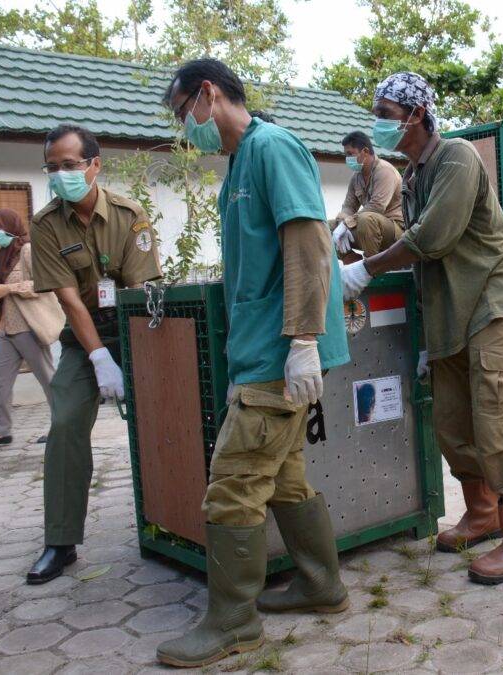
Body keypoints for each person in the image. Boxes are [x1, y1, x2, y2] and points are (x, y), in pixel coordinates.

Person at [157, 58, 351, 668]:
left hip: (278, 352)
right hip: (261, 351)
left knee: (234, 486)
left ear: (208, 94)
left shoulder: (273, 148)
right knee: (284, 477)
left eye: (184, 112)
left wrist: (301, 341)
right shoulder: (238, 164)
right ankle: (322, 585)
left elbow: (309, 245)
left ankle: (233, 623)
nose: (187, 129)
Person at [341, 72, 503, 586]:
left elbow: (432, 237)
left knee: (495, 424)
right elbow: (422, 261)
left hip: (492, 309)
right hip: (450, 318)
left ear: (416, 114)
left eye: (386, 113)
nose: (379, 122)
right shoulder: (412, 177)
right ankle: (483, 514)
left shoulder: (457, 157)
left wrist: (368, 267)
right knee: (453, 427)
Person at [25, 124, 162, 584]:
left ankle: (172, 520)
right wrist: (100, 359)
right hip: (82, 340)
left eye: (70, 165)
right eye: (53, 167)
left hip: (137, 331)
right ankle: (61, 541)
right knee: (65, 423)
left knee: (166, 417)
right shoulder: (45, 224)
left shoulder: (130, 214)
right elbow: (69, 300)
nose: (60, 174)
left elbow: (141, 292)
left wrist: (137, 355)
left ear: (95, 165)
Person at [0, 209, 64, 448]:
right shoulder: (4, 256)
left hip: (28, 327)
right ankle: (2, 431)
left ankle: (62, 426)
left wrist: (8, 289)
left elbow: (45, 283)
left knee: (48, 379)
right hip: (7, 328)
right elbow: (6, 291)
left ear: (11, 226)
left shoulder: (28, 250)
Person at [331, 131, 404, 262]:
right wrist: (342, 221)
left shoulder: (384, 170)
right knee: (328, 227)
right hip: (369, 230)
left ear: (365, 151)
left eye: (350, 154)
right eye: (345, 155)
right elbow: (348, 207)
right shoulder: (356, 177)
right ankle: (351, 262)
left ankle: (372, 266)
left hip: (395, 230)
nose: (347, 159)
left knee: (366, 219)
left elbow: (377, 207)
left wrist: (347, 223)